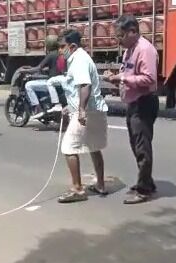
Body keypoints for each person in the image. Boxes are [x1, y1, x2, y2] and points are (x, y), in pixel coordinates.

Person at [104, 15, 159, 204]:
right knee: (136, 145)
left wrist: (122, 79)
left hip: (144, 102)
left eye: (120, 36)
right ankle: (147, 182)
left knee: (142, 146)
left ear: (132, 32)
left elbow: (149, 79)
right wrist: (116, 76)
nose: (117, 40)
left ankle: (144, 190)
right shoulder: (130, 49)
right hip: (134, 102)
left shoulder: (144, 49)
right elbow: (129, 72)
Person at [57, 29, 109, 203]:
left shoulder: (78, 59)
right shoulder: (81, 57)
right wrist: (71, 107)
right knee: (94, 147)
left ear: (72, 46)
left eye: (62, 47)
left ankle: (77, 189)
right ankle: (100, 184)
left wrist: (80, 110)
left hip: (88, 110)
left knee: (68, 147)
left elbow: (85, 85)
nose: (60, 50)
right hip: (96, 109)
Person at [23, 35, 66, 119]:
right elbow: (55, 66)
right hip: (61, 81)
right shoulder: (60, 53)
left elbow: (38, 68)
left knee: (28, 85)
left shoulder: (51, 54)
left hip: (53, 83)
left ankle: (38, 109)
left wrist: (25, 71)